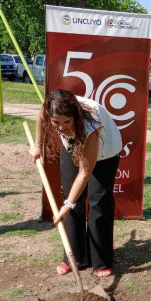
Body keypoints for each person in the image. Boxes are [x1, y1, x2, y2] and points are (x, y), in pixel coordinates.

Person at [31, 89, 122, 278]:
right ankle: (74, 257)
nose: (61, 127)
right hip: (72, 146)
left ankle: (101, 259)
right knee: (71, 201)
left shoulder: (90, 123)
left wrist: (67, 205)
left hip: (105, 152)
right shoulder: (50, 107)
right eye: (56, 122)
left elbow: (85, 172)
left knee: (99, 202)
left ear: (75, 117)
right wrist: (38, 146)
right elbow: (40, 118)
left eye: (66, 122)